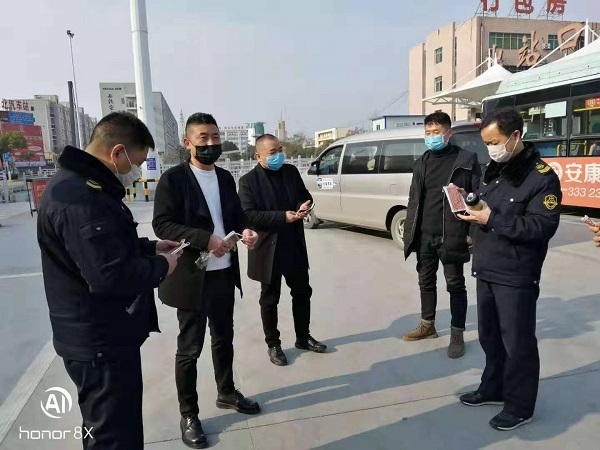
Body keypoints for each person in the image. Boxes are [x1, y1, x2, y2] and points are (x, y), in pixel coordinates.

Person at [37, 112, 181, 450]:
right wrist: (162, 266)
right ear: (117, 152)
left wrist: (150, 247)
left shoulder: (83, 187)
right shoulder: (80, 198)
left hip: (102, 336)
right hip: (98, 342)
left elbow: (105, 249)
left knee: (116, 427)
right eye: (137, 163)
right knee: (112, 437)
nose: (136, 172)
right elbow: (109, 276)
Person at [152, 113, 260, 449]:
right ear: (188, 143)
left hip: (223, 272)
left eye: (215, 137)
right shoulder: (173, 180)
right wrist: (204, 239)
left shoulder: (225, 178)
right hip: (191, 277)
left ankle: (226, 391)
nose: (211, 143)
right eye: (203, 138)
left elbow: (236, 215)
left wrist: (246, 230)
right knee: (190, 348)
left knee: (224, 337)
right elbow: (162, 225)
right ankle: (189, 414)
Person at [457, 107, 561, 431]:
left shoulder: (542, 178)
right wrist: (471, 210)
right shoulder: (495, 169)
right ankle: (494, 388)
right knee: (489, 337)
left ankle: (519, 406)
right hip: (487, 266)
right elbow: (486, 206)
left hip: (516, 274)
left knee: (517, 344)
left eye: (495, 142)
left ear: (515, 136)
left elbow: (540, 227)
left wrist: (491, 218)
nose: (490, 149)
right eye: (486, 143)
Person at [238, 134, 326, 367]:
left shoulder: (291, 172)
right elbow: (249, 214)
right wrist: (283, 217)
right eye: (272, 152)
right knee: (270, 298)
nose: (278, 155)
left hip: (293, 245)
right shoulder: (248, 182)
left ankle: (303, 337)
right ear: (258, 156)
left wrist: (303, 206)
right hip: (267, 248)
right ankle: (273, 344)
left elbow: (304, 196)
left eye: (279, 150)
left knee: (302, 292)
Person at [402, 111, 481, 358]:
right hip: (424, 235)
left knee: (455, 284)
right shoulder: (421, 162)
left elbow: (477, 197)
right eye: (428, 132)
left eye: (436, 132)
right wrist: (411, 231)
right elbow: (414, 199)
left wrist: (471, 232)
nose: (431, 137)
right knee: (425, 281)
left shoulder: (466, 160)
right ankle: (428, 325)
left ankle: (457, 333)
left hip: (453, 233)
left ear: (449, 133)